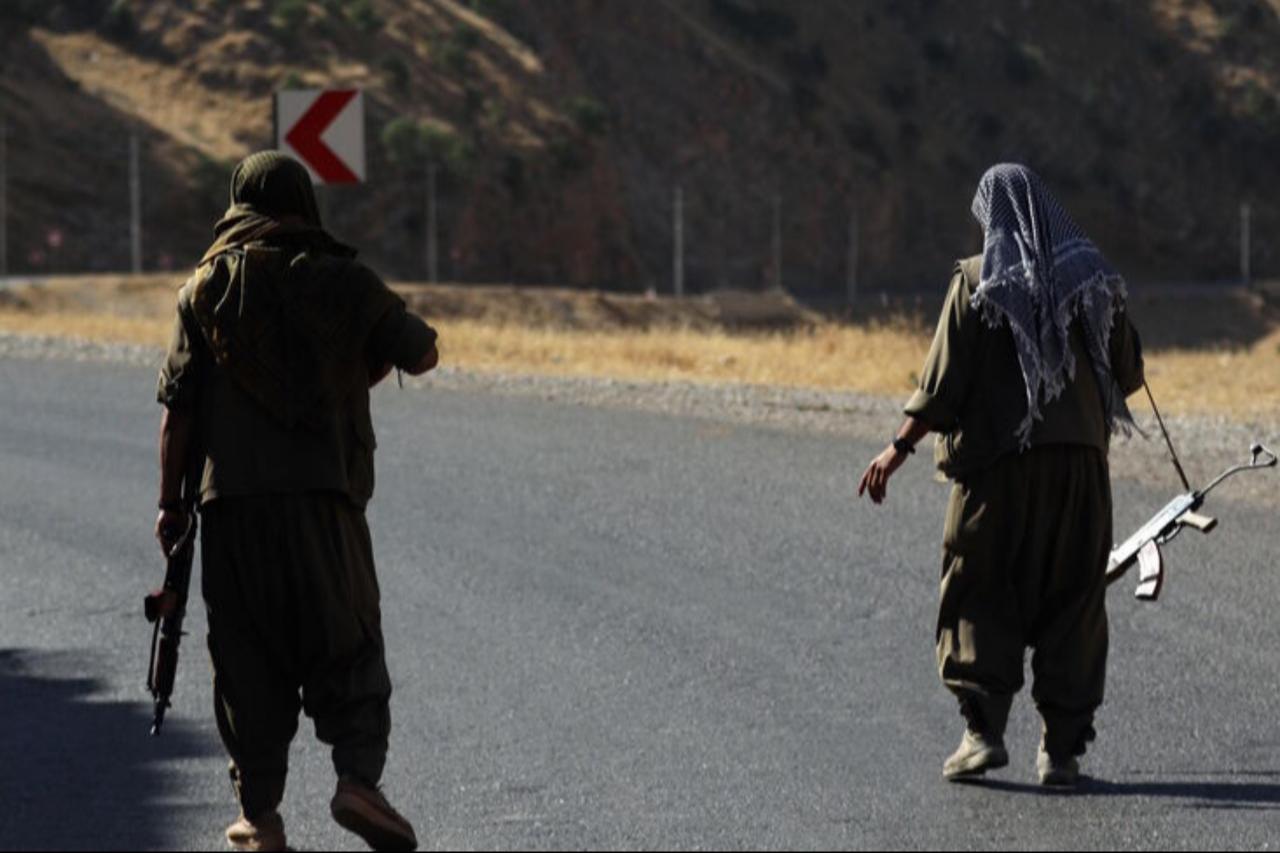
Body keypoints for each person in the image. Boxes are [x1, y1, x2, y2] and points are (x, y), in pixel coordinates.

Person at [154, 151, 439, 851]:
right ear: (304, 204)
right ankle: (357, 782)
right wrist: (350, 372)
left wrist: (170, 505)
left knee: (246, 661)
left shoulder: (204, 290)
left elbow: (178, 413)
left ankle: (261, 815)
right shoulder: (345, 281)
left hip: (232, 512)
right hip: (325, 506)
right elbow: (422, 351)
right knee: (348, 644)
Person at [857, 163, 1145, 787]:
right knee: (1074, 600)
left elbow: (942, 387)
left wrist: (896, 450)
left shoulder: (976, 281)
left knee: (980, 590)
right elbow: (1129, 375)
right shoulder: (1094, 279)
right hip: (1080, 476)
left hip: (998, 473)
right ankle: (1061, 753)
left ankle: (982, 736)